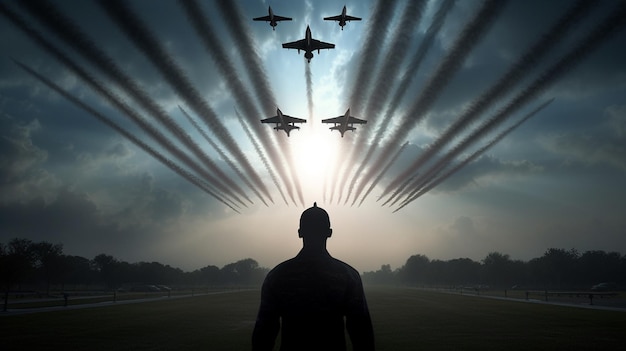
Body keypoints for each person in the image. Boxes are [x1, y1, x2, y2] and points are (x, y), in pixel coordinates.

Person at [252, 203, 375, 351]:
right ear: (329, 232)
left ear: (300, 232)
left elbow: (264, 332)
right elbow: (361, 332)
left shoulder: (277, 276)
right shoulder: (348, 276)